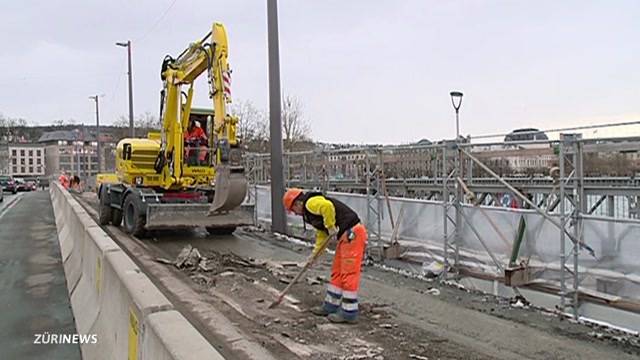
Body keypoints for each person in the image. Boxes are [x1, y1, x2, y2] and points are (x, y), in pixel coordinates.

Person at [282, 188, 368, 324]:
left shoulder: (310, 203)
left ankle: (349, 312)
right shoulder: (310, 214)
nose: (295, 213)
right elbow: (322, 235)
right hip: (345, 236)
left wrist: (330, 226)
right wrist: (314, 255)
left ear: (297, 203)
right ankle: (331, 305)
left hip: (353, 234)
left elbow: (327, 207)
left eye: (293, 210)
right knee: (337, 272)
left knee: (348, 273)